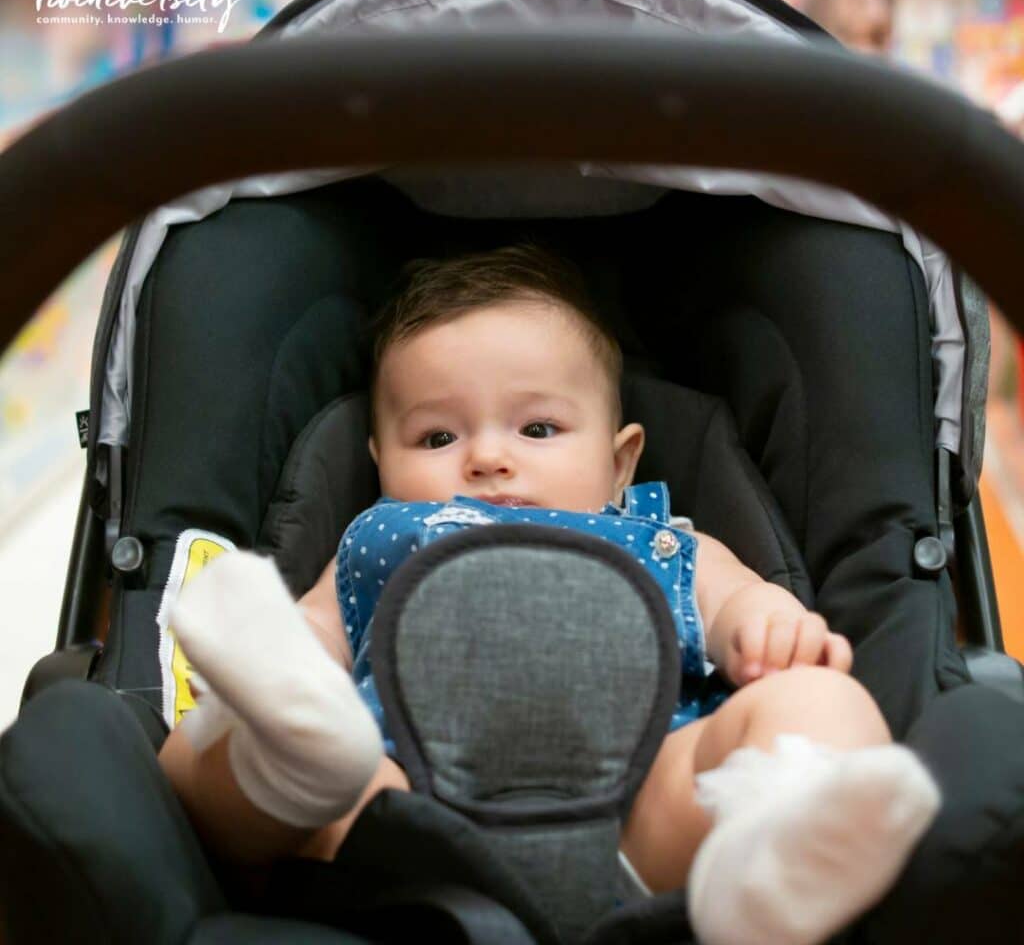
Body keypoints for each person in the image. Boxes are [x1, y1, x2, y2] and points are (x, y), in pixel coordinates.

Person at [160, 244, 941, 945]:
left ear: (621, 459)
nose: (489, 458)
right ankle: (293, 765)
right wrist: (285, 673)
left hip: (640, 810)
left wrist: (767, 629)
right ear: (379, 463)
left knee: (816, 699)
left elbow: (739, 601)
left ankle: (770, 862)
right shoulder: (380, 534)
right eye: (438, 438)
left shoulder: (659, 534)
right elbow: (317, 632)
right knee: (207, 747)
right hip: (398, 814)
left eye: (537, 429)